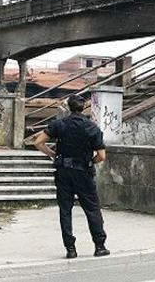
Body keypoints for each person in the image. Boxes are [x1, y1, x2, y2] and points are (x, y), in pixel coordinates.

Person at [34, 95, 110, 259]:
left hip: (63, 172)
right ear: (84, 108)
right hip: (83, 172)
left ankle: (70, 249)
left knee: (65, 210)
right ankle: (99, 246)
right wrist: (90, 162)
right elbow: (102, 156)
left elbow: (38, 142)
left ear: (68, 107)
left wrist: (53, 154)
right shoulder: (92, 127)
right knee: (92, 209)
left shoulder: (59, 124)